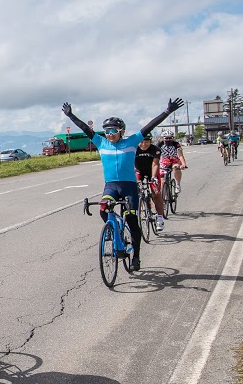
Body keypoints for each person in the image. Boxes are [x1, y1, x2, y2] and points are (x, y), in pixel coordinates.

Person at [60, 98, 185, 271]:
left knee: (133, 221)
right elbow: (84, 128)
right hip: (111, 186)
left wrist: (167, 111)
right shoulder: (101, 142)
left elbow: (149, 126)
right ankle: (114, 229)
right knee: (103, 210)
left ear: (121, 131)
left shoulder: (131, 141)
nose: (109, 134)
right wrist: (70, 115)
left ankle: (136, 257)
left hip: (128, 187)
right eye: (106, 131)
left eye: (113, 131)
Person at [134, 133, 166, 232]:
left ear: (150, 141)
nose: (144, 144)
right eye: (141, 142)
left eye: (146, 141)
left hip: (152, 171)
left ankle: (160, 218)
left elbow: (155, 164)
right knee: (136, 192)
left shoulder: (155, 149)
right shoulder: (134, 149)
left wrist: (153, 177)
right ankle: (136, 216)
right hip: (139, 170)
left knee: (156, 193)